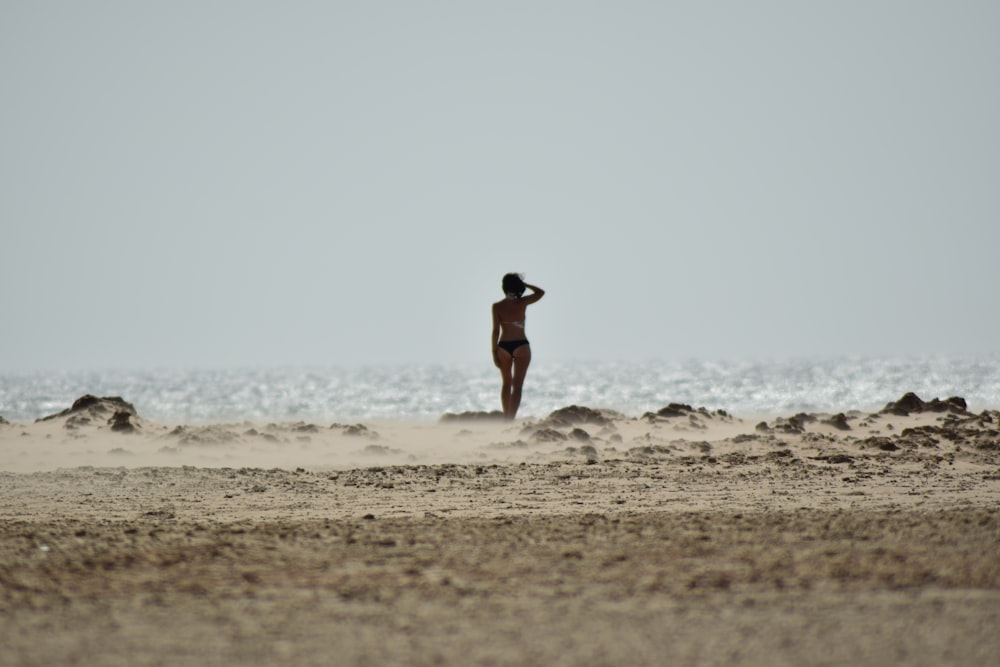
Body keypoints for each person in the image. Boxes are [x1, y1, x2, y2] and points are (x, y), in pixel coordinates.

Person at [492, 273, 545, 420]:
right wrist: (524, 285)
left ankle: (506, 418)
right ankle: (511, 419)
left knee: (506, 384)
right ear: (517, 287)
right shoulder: (522, 302)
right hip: (521, 345)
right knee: (517, 386)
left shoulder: (497, 306)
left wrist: (494, 352)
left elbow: (496, 331)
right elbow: (541, 292)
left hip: (503, 346)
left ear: (504, 287)